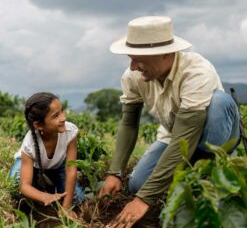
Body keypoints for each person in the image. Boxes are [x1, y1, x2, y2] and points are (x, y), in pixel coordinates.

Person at [98, 16, 240, 227]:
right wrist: (115, 172)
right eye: (131, 58)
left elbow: (186, 136)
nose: (133, 66)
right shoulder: (133, 76)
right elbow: (129, 123)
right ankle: (184, 176)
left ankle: (212, 167)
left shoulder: (196, 71)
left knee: (219, 102)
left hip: (213, 134)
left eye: (139, 59)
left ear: (165, 54)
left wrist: (144, 200)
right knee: (138, 184)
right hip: (173, 135)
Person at [9, 92, 84, 218]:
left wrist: (66, 208)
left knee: (77, 197)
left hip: (57, 167)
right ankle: (43, 188)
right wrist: (43, 196)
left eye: (62, 111)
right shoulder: (30, 144)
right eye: (55, 116)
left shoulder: (70, 132)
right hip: (32, 166)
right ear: (38, 125)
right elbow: (24, 185)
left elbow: (71, 170)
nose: (63, 118)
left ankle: (49, 185)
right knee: (16, 185)